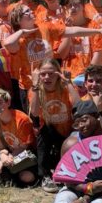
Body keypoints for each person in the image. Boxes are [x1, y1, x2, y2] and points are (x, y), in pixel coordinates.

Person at [30, 59, 79, 192]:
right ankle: (45, 176)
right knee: (43, 132)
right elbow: (34, 112)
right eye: (43, 74)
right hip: (49, 131)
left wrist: (68, 83)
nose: (47, 77)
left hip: (67, 131)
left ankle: (67, 173)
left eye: (51, 73)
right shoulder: (36, 90)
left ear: (58, 74)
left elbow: (78, 106)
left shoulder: (65, 88)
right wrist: (35, 86)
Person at [0, 89, 37, 185]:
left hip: (27, 154)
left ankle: (13, 175)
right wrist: (3, 157)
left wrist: (3, 161)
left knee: (27, 177)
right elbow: (1, 148)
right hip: (10, 154)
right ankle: (10, 175)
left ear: (8, 103)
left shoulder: (21, 120)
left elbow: (24, 147)